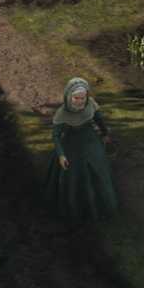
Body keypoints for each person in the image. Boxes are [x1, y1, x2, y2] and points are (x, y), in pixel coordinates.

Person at [42, 77, 119, 222]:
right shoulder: (62, 113)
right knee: (74, 178)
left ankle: (103, 207)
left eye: (82, 98)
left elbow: (99, 119)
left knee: (98, 170)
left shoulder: (90, 105)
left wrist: (105, 134)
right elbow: (56, 136)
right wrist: (61, 155)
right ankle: (75, 211)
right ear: (69, 96)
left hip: (91, 141)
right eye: (76, 98)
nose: (79, 101)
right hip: (71, 145)